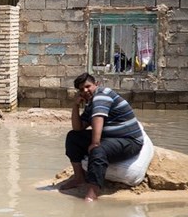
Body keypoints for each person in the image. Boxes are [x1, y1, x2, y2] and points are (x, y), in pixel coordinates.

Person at [61, 72, 143, 202]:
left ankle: (93, 192)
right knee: (73, 137)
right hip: (109, 137)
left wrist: (95, 143)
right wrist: (75, 105)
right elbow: (78, 128)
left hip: (129, 140)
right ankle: (79, 178)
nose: (85, 91)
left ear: (96, 84)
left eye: (88, 86)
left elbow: (98, 117)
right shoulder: (91, 102)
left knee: (98, 150)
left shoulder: (102, 95)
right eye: (81, 89)